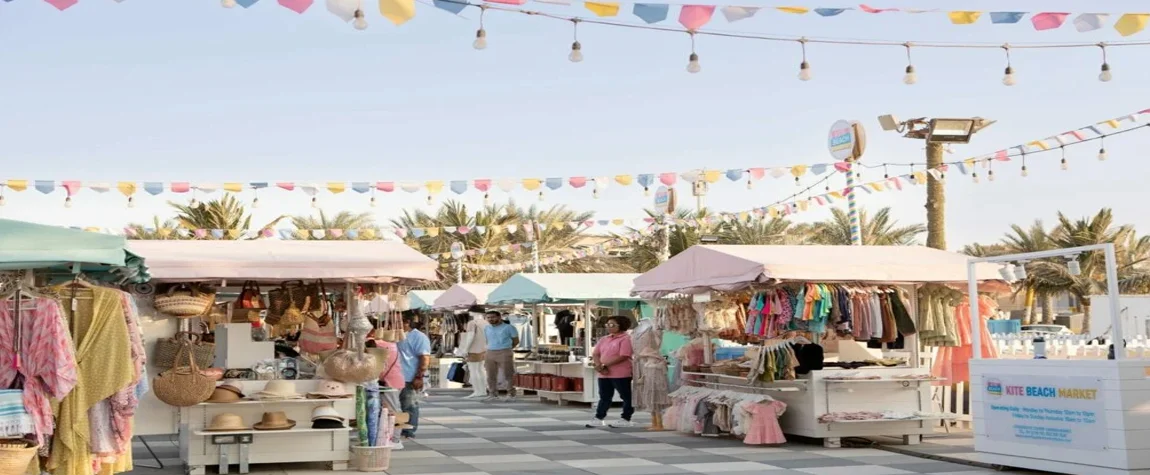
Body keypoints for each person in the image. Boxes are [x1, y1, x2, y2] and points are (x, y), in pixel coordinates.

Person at [587, 315, 634, 428]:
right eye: (607, 324)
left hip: (621, 373)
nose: (609, 327)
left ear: (621, 326)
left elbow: (624, 355)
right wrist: (599, 365)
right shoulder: (604, 339)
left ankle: (626, 418)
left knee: (626, 396)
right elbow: (596, 353)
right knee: (604, 396)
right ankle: (599, 417)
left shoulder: (626, 339)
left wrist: (605, 365)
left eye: (612, 325)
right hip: (604, 374)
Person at [397, 315, 431, 438]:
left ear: (407, 322)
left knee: (409, 405)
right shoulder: (395, 335)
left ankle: (408, 431)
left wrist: (419, 377)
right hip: (395, 376)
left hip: (409, 376)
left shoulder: (418, 337)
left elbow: (425, 357)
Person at [483, 310, 519, 401]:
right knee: (490, 374)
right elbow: (487, 340)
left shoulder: (509, 327)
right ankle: (493, 394)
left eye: (493, 317)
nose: (491, 319)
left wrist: (507, 348)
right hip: (490, 352)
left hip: (504, 351)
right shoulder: (486, 328)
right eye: (488, 317)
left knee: (508, 374)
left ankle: (511, 394)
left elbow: (516, 340)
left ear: (499, 317)